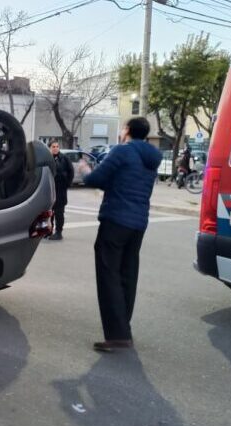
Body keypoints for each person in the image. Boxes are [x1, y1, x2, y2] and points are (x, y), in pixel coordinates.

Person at [82, 117, 162, 352]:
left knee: (109, 275)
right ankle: (123, 328)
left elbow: (95, 179)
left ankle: (117, 335)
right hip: (138, 223)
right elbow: (124, 183)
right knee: (127, 274)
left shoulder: (122, 151)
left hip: (116, 220)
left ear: (127, 130)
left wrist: (86, 169)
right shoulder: (152, 158)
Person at [48, 139, 74, 241]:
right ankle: (48, 231)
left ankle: (59, 232)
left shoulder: (64, 158)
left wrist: (67, 184)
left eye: (57, 146)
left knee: (59, 212)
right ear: (49, 148)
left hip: (60, 190)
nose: (55, 148)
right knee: (49, 213)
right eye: (53, 147)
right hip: (49, 190)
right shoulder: (47, 158)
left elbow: (71, 172)